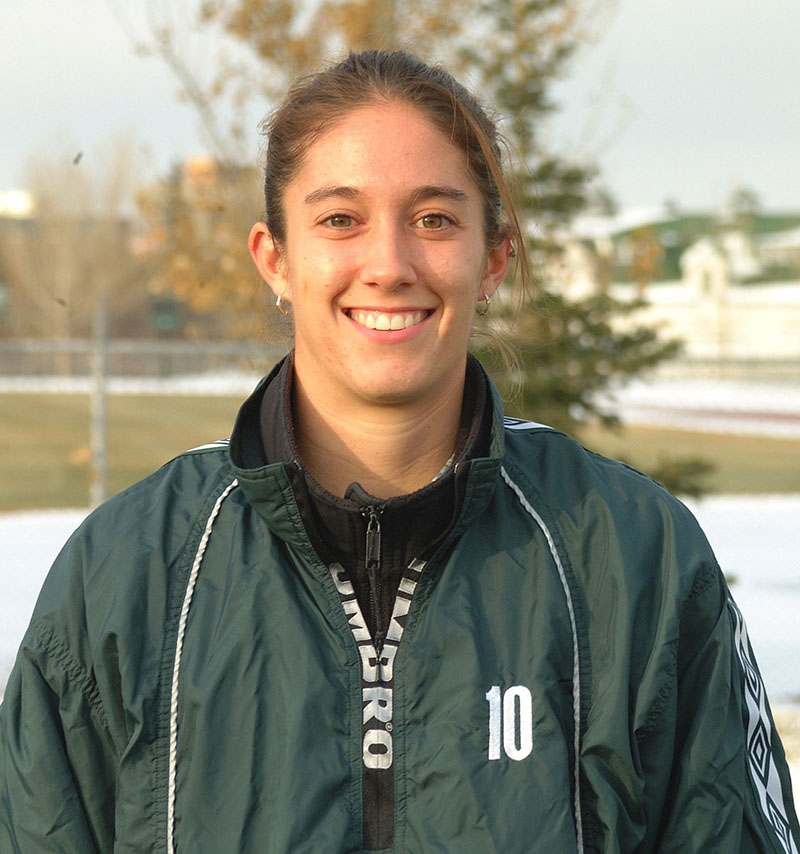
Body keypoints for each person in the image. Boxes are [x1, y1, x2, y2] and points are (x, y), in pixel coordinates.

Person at [0, 49, 797, 854]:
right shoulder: (128, 573)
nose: (388, 265)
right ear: (275, 258)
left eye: (435, 219)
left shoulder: (633, 558)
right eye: (340, 219)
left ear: (493, 259)